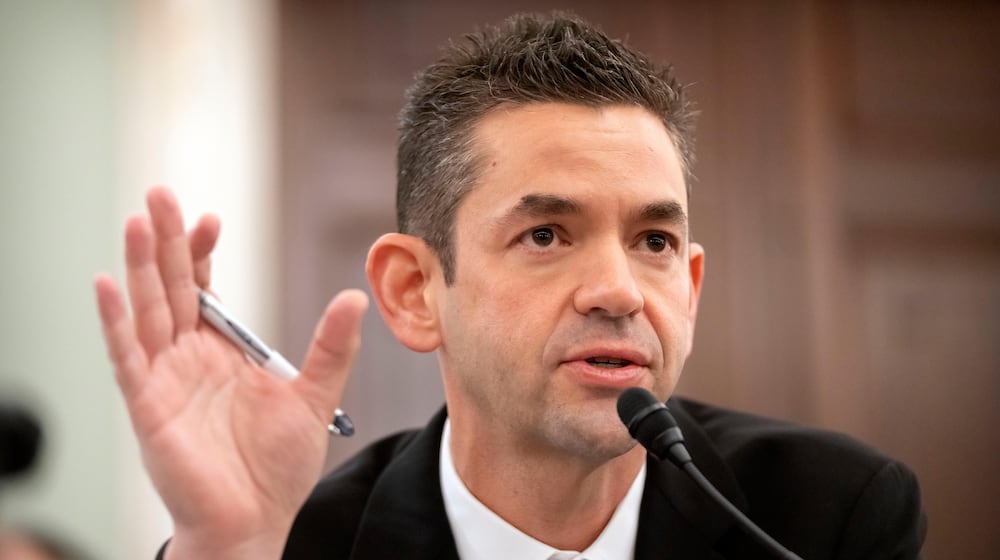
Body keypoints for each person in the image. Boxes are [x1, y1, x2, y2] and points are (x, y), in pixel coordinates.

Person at [93, 12, 926, 560]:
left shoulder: (828, 516)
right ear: (416, 291)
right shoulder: (299, 545)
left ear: (692, 287)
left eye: (654, 241)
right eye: (545, 234)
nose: (619, 291)